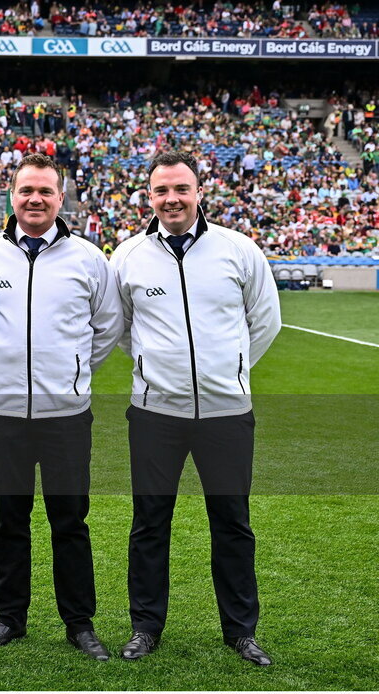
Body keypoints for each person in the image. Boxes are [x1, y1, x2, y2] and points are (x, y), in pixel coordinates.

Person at [110, 151, 281, 666]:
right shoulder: (129, 256)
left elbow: (265, 321)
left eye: (181, 189)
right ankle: (145, 627)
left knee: (231, 520)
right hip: (155, 412)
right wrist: (154, 366)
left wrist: (226, 371)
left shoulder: (238, 249)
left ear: (199, 191)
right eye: (161, 191)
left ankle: (240, 630)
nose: (172, 199)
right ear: (149, 196)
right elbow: (119, 329)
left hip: (227, 412)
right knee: (149, 522)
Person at [0, 154, 123, 659]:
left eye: (45, 192)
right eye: (26, 190)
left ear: (60, 198)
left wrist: (72, 373)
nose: (35, 199)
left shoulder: (88, 257)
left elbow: (108, 327)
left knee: (70, 520)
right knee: (9, 517)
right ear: (12, 195)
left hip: (66, 416)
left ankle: (79, 623)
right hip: (3, 413)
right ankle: (9, 618)